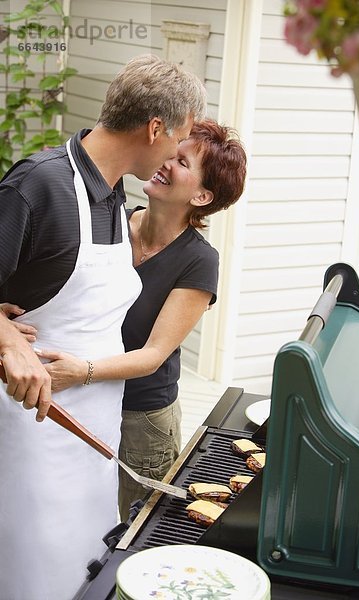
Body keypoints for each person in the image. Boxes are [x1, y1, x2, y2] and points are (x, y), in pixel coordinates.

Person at [0, 54, 206, 600]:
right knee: (31, 575)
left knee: (84, 572)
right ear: (155, 128)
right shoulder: (39, 186)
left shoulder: (115, 196)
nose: (171, 157)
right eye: (177, 141)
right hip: (29, 432)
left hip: (95, 435)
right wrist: (4, 340)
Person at [36, 119, 247, 521]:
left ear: (202, 195)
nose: (167, 161)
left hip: (142, 421)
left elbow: (152, 356)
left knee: (134, 532)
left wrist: (80, 370)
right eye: (172, 152)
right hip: (87, 400)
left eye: (182, 162)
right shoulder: (114, 222)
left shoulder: (199, 262)